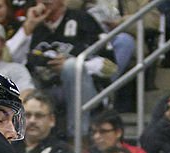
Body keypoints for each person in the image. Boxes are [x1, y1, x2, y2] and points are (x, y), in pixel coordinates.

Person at [11, 0, 116, 139]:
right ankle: (25, 139)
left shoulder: (83, 19)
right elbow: (7, 59)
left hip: (83, 91)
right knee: (20, 76)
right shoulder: (30, 23)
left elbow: (110, 66)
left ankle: (79, 136)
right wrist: (29, 26)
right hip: (43, 88)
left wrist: (73, 64)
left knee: (72, 67)